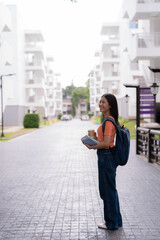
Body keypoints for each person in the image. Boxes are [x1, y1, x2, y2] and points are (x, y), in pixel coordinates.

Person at [83, 93, 122, 231]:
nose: (100, 104)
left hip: (106, 156)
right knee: (111, 189)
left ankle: (111, 223)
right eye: (100, 101)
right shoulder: (108, 120)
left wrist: (91, 145)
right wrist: (93, 139)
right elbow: (106, 141)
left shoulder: (108, 122)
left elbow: (106, 143)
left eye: (103, 102)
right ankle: (117, 221)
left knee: (107, 191)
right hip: (107, 156)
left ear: (110, 105)